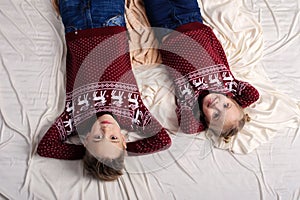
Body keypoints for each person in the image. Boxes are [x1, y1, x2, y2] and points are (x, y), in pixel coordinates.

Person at [37, 0, 171, 181]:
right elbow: (163, 141)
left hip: (75, 25)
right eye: (114, 138)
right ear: (123, 141)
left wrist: (88, 154)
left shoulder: (75, 119)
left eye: (98, 137)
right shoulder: (134, 115)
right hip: (110, 21)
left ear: (86, 141)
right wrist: (122, 151)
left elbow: (46, 147)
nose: (105, 130)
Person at [142, 0, 259, 142]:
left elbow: (189, 128)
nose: (217, 105)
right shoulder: (227, 85)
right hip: (192, 19)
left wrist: (205, 121)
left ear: (205, 120)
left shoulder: (190, 101)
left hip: (165, 29)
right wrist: (236, 107)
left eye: (216, 115)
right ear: (231, 99)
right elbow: (253, 95)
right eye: (226, 106)